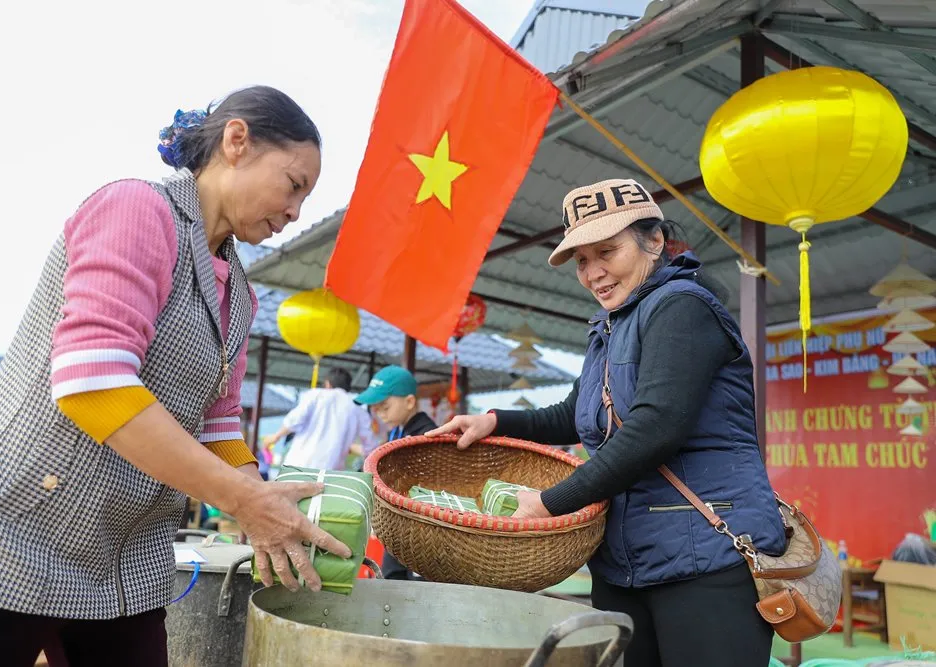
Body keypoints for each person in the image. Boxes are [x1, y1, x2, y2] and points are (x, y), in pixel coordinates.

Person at [0, 86, 351, 666]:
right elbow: (93, 383)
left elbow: (220, 420)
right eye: (293, 184)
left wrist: (261, 501)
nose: (294, 212)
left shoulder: (242, 294)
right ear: (237, 142)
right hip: (16, 526)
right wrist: (244, 502)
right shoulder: (137, 209)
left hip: (124, 549)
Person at [429, 178, 786, 667]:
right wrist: (493, 420)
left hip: (709, 552)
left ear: (654, 241)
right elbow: (573, 414)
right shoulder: (609, 327)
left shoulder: (683, 306)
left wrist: (550, 504)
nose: (593, 272)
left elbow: (655, 428)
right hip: (626, 561)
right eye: (581, 261)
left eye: (607, 251)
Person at [355, 365, 436, 580]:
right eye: (376, 409)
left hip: (417, 529)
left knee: (412, 586)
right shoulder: (397, 432)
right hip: (397, 528)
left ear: (409, 402)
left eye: (385, 407)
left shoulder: (425, 435)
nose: (381, 414)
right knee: (392, 579)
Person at [264, 367, 376, 472]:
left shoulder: (316, 395)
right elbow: (370, 446)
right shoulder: (358, 411)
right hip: (330, 473)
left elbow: (294, 420)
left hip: (299, 466)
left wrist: (276, 436)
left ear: (327, 384)